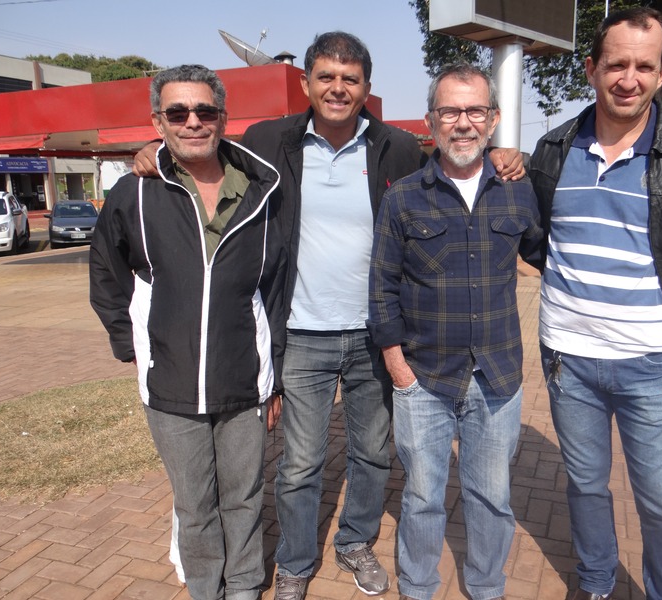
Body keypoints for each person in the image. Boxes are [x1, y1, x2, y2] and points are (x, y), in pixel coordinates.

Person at [133, 32, 525, 600]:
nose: (338, 89)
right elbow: (204, 151)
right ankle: (295, 560)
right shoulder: (270, 140)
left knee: (370, 452)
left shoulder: (392, 146)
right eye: (326, 77)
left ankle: (355, 542)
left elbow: (452, 163)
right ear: (306, 83)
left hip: (377, 333)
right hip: (301, 330)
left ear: (366, 87)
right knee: (299, 462)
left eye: (351, 79)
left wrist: (504, 154)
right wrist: (152, 149)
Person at [528, 8, 662, 600]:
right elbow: (536, 241)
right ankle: (596, 583)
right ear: (592, 68)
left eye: (643, 65)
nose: (629, 77)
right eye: (616, 63)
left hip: (654, 365)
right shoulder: (553, 149)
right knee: (585, 485)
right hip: (567, 360)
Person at [90, 64, 286, 600]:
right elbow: (105, 268)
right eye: (178, 112)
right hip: (170, 382)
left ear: (223, 118)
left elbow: (276, 288)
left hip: (243, 378)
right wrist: (128, 344)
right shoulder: (135, 192)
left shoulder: (263, 193)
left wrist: (277, 377)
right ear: (159, 121)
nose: (193, 121)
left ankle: (244, 586)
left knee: (244, 495)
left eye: (205, 111)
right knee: (194, 502)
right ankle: (207, 588)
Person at [368, 63, 545, 600]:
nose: (462, 123)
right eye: (450, 111)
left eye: (474, 111)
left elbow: (549, 258)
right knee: (422, 497)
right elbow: (382, 290)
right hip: (423, 377)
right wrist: (400, 372)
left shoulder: (518, 191)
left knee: (491, 497)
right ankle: (418, 587)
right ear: (431, 120)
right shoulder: (403, 197)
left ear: (492, 120)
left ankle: (486, 586)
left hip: (497, 375)